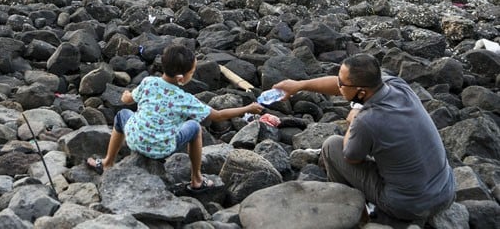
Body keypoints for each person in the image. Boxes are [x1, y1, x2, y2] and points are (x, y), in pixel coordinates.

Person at [273, 54, 455, 224]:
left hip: (408, 207)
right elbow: (342, 87)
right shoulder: (398, 86)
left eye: (341, 83)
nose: (338, 85)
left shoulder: (366, 120)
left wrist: (354, 119)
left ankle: (350, 211)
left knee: (331, 146)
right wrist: (300, 85)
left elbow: (351, 157)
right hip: (446, 192)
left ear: (361, 92)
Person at [86, 45, 263, 191]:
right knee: (194, 127)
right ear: (181, 77)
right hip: (162, 148)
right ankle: (197, 180)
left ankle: (108, 162)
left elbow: (128, 99)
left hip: (135, 139)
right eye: (192, 72)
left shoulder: (148, 82)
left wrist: (125, 96)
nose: (192, 74)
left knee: (121, 115)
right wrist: (247, 108)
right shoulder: (185, 99)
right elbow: (217, 116)